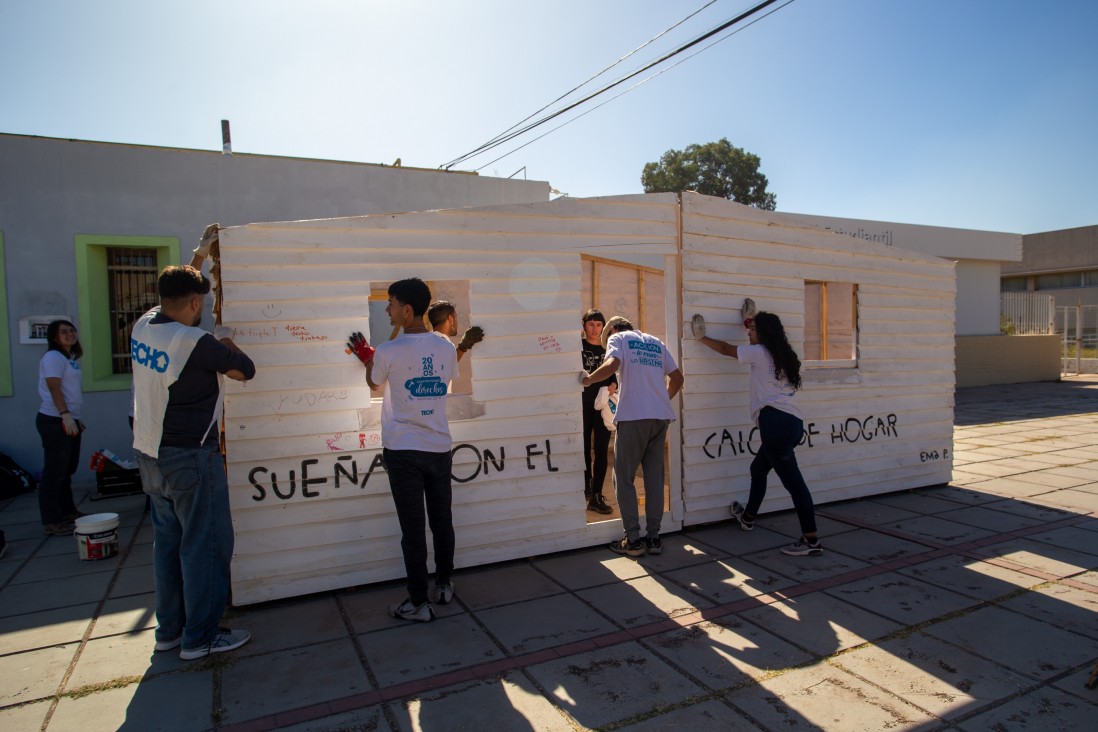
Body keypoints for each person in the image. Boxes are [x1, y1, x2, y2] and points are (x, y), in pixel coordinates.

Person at [132, 261, 257, 660]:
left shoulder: (143, 324)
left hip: (150, 455)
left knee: (167, 545)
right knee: (205, 545)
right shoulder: (194, 342)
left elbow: (178, 292)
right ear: (195, 301)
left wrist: (198, 260)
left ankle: (169, 630)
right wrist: (227, 339)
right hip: (190, 457)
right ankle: (201, 638)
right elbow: (245, 371)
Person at [347, 278, 459, 622]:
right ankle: (444, 585)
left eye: (391, 303)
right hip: (439, 446)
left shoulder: (388, 350)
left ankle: (417, 603)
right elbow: (447, 381)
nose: (387, 309)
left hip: (403, 451)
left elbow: (374, 382)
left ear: (407, 310)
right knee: (442, 521)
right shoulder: (446, 347)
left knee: (412, 528)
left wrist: (367, 356)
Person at [692, 307, 823, 556]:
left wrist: (701, 337)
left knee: (795, 485)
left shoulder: (759, 353)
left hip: (775, 425)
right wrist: (748, 321)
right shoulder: (783, 353)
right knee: (758, 469)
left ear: (762, 333)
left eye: (752, 330)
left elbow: (725, 349)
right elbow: (753, 344)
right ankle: (748, 517)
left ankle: (811, 540)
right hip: (792, 424)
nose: (749, 333)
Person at [581, 316, 683, 557]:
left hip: (634, 417)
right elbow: (677, 379)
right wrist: (659, 402)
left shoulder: (618, 338)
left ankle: (634, 540)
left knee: (624, 478)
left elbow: (611, 365)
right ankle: (654, 538)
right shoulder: (656, 342)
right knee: (654, 478)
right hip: (660, 418)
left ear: (613, 330)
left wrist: (587, 380)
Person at [35, 320, 87, 536]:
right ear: (54, 337)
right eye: (63, 332)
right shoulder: (53, 358)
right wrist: (65, 415)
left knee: (67, 469)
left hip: (69, 419)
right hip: (54, 420)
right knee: (55, 472)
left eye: (72, 330)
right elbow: (53, 387)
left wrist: (74, 417)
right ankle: (51, 520)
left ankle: (67, 511)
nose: (69, 334)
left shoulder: (69, 358)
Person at [579, 309, 615, 515]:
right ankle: (585, 486)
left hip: (602, 407)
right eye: (591, 324)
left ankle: (596, 495)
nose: (594, 329)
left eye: (598, 325)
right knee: (583, 448)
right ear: (583, 326)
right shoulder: (577, 347)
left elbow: (616, 373)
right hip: (581, 403)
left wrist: (614, 384)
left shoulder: (608, 349)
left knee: (601, 450)